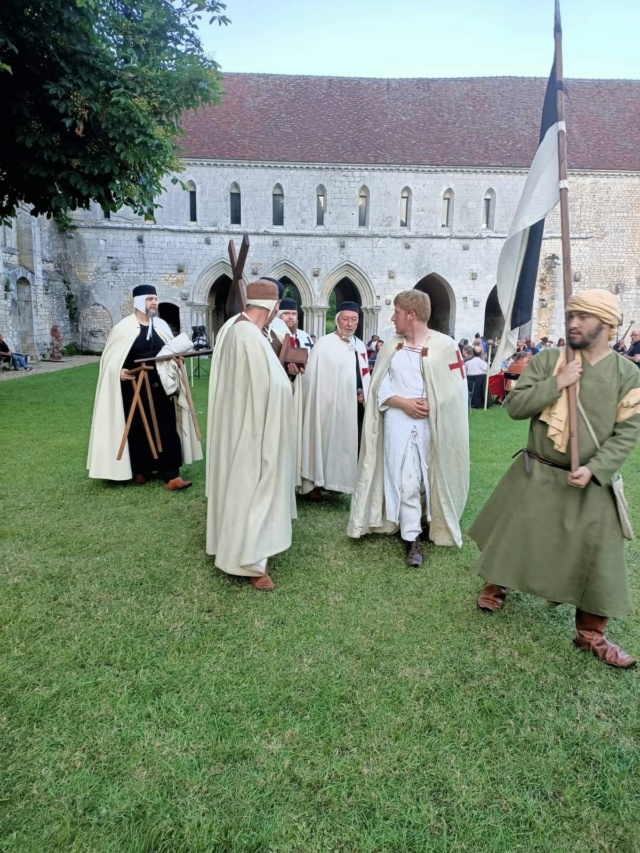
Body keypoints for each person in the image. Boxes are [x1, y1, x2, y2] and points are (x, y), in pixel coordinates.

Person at [471, 289, 640, 669]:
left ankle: (591, 633)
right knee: (518, 534)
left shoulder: (628, 374)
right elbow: (515, 407)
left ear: (607, 325)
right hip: (539, 470)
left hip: (590, 480)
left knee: (599, 554)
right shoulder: (549, 359)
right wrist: (558, 381)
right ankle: (497, 585)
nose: (573, 322)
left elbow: (628, 433)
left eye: (583, 317)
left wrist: (596, 469)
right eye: (571, 315)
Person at [348, 290, 469, 567]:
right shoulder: (392, 347)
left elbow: (456, 390)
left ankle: (426, 522)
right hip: (397, 423)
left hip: (431, 425)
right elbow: (379, 386)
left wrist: (435, 403)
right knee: (406, 480)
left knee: (429, 477)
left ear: (411, 315)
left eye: (397, 313)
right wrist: (403, 403)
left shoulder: (445, 346)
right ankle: (413, 539)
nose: (393, 318)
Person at [205, 280, 296, 590]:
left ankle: (235, 548)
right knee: (252, 486)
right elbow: (271, 387)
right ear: (271, 308)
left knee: (241, 486)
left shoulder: (237, 329)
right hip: (252, 425)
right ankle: (249, 562)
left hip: (243, 420)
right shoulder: (247, 335)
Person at [87, 284, 201, 488]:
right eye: (150, 299)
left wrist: (175, 360)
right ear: (138, 302)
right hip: (133, 386)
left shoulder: (162, 327)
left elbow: (168, 352)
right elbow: (110, 361)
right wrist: (118, 372)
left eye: (155, 299)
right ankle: (140, 470)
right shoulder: (123, 329)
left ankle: (172, 475)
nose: (154, 303)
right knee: (137, 428)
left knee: (166, 426)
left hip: (159, 385)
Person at [300, 301, 370, 498]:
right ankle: (315, 484)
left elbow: (364, 375)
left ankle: (340, 483)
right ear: (337, 319)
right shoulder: (324, 344)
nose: (349, 324)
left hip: (354, 407)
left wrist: (365, 391)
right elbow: (312, 380)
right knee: (323, 441)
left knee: (348, 446)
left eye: (354, 319)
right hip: (327, 407)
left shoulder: (360, 345)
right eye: (345, 319)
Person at [278, 296, 313, 490]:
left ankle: (302, 480)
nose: (290, 318)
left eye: (293, 314)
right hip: (284, 394)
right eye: (286, 314)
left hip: (304, 394)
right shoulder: (273, 334)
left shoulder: (305, 337)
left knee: (301, 437)